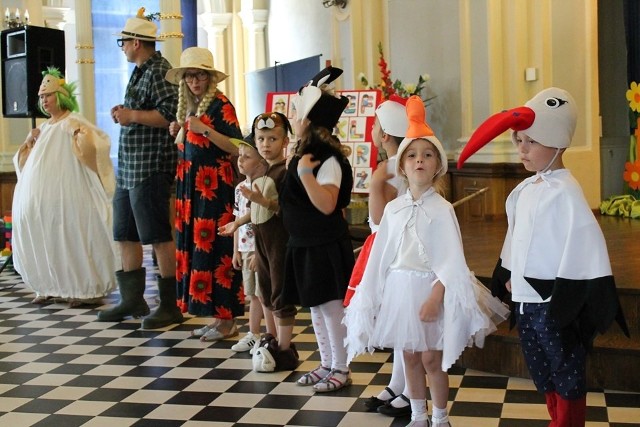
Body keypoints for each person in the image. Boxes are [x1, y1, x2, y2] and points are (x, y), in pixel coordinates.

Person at [457, 87, 629, 427]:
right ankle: (556, 419)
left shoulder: (566, 192)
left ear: (558, 144)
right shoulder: (524, 190)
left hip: (552, 301)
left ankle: (568, 422)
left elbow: (584, 244)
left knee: (565, 366)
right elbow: (516, 238)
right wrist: (507, 272)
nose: (521, 149)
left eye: (530, 142)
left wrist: (567, 294)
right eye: (518, 141)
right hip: (524, 300)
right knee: (541, 368)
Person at [345, 96, 509, 426]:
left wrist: (437, 296)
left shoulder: (442, 210)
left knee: (432, 358)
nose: (420, 161)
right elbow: (381, 256)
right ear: (402, 165)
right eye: (413, 156)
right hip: (401, 291)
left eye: (428, 155)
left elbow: (451, 260)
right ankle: (417, 414)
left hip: (431, 291)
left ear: (437, 166)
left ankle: (440, 416)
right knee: (409, 356)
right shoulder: (394, 209)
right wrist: (372, 295)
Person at [97, 8, 181, 329]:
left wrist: (131, 116)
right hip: (130, 167)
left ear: (135, 42)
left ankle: (169, 304)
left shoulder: (160, 70)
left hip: (150, 167)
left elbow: (169, 114)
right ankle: (131, 299)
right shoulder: (140, 70)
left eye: (122, 43)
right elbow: (143, 110)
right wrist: (127, 111)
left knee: (158, 235)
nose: (121, 49)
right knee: (124, 233)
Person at [12, 67, 118, 308]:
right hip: (45, 198)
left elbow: (97, 149)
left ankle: (82, 288)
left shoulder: (74, 122)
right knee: (47, 235)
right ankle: (49, 284)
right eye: (41, 97)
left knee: (72, 234)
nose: (44, 100)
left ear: (60, 96)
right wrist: (29, 142)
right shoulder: (45, 127)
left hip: (72, 193)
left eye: (48, 95)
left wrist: (78, 134)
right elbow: (25, 162)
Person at [280, 66, 355, 392]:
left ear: (308, 122)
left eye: (296, 114)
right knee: (315, 307)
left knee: (330, 308)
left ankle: (341, 367)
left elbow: (327, 204)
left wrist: (306, 176)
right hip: (304, 243)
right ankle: (326, 362)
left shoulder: (327, 160)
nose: (292, 118)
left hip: (323, 243)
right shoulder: (305, 155)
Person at [163, 46, 244, 341]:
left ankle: (227, 320)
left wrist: (205, 130)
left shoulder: (221, 105)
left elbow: (237, 146)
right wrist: (180, 130)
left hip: (214, 190)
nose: (195, 82)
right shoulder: (191, 108)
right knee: (199, 252)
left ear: (210, 78)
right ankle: (216, 318)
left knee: (217, 254)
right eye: (190, 77)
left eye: (200, 76)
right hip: (191, 191)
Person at [343, 96, 412, 417]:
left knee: (406, 325)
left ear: (384, 136)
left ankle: (411, 389)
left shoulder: (388, 171)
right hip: (392, 252)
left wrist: (374, 185)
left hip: (395, 254)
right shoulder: (395, 166)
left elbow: (379, 222)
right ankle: (399, 383)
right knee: (400, 325)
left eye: (375, 127)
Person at [244, 112, 300, 372]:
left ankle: (285, 349)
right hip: (263, 244)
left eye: (273, 138)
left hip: (280, 243)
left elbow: (285, 210)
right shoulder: (260, 171)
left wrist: (264, 202)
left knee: (280, 293)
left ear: (286, 141)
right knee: (264, 291)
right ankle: (272, 337)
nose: (266, 144)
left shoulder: (286, 173)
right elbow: (256, 217)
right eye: (261, 138)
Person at [219, 132, 276, 351]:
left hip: (259, 250)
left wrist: (257, 252)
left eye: (246, 157)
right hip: (245, 250)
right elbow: (236, 221)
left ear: (261, 161)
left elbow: (262, 222)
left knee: (264, 296)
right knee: (252, 294)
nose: (239, 161)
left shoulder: (263, 187)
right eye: (239, 156)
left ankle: (271, 337)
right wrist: (236, 251)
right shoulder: (239, 189)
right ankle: (253, 333)